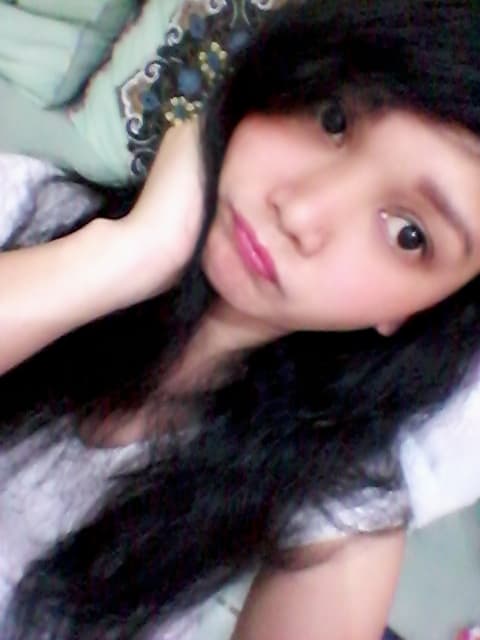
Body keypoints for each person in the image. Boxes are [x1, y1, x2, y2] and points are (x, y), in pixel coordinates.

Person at [1, 1, 480, 638]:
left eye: (408, 234)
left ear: (416, 312)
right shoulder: (29, 211)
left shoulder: (327, 506)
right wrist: (127, 254)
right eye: (332, 118)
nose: (301, 212)